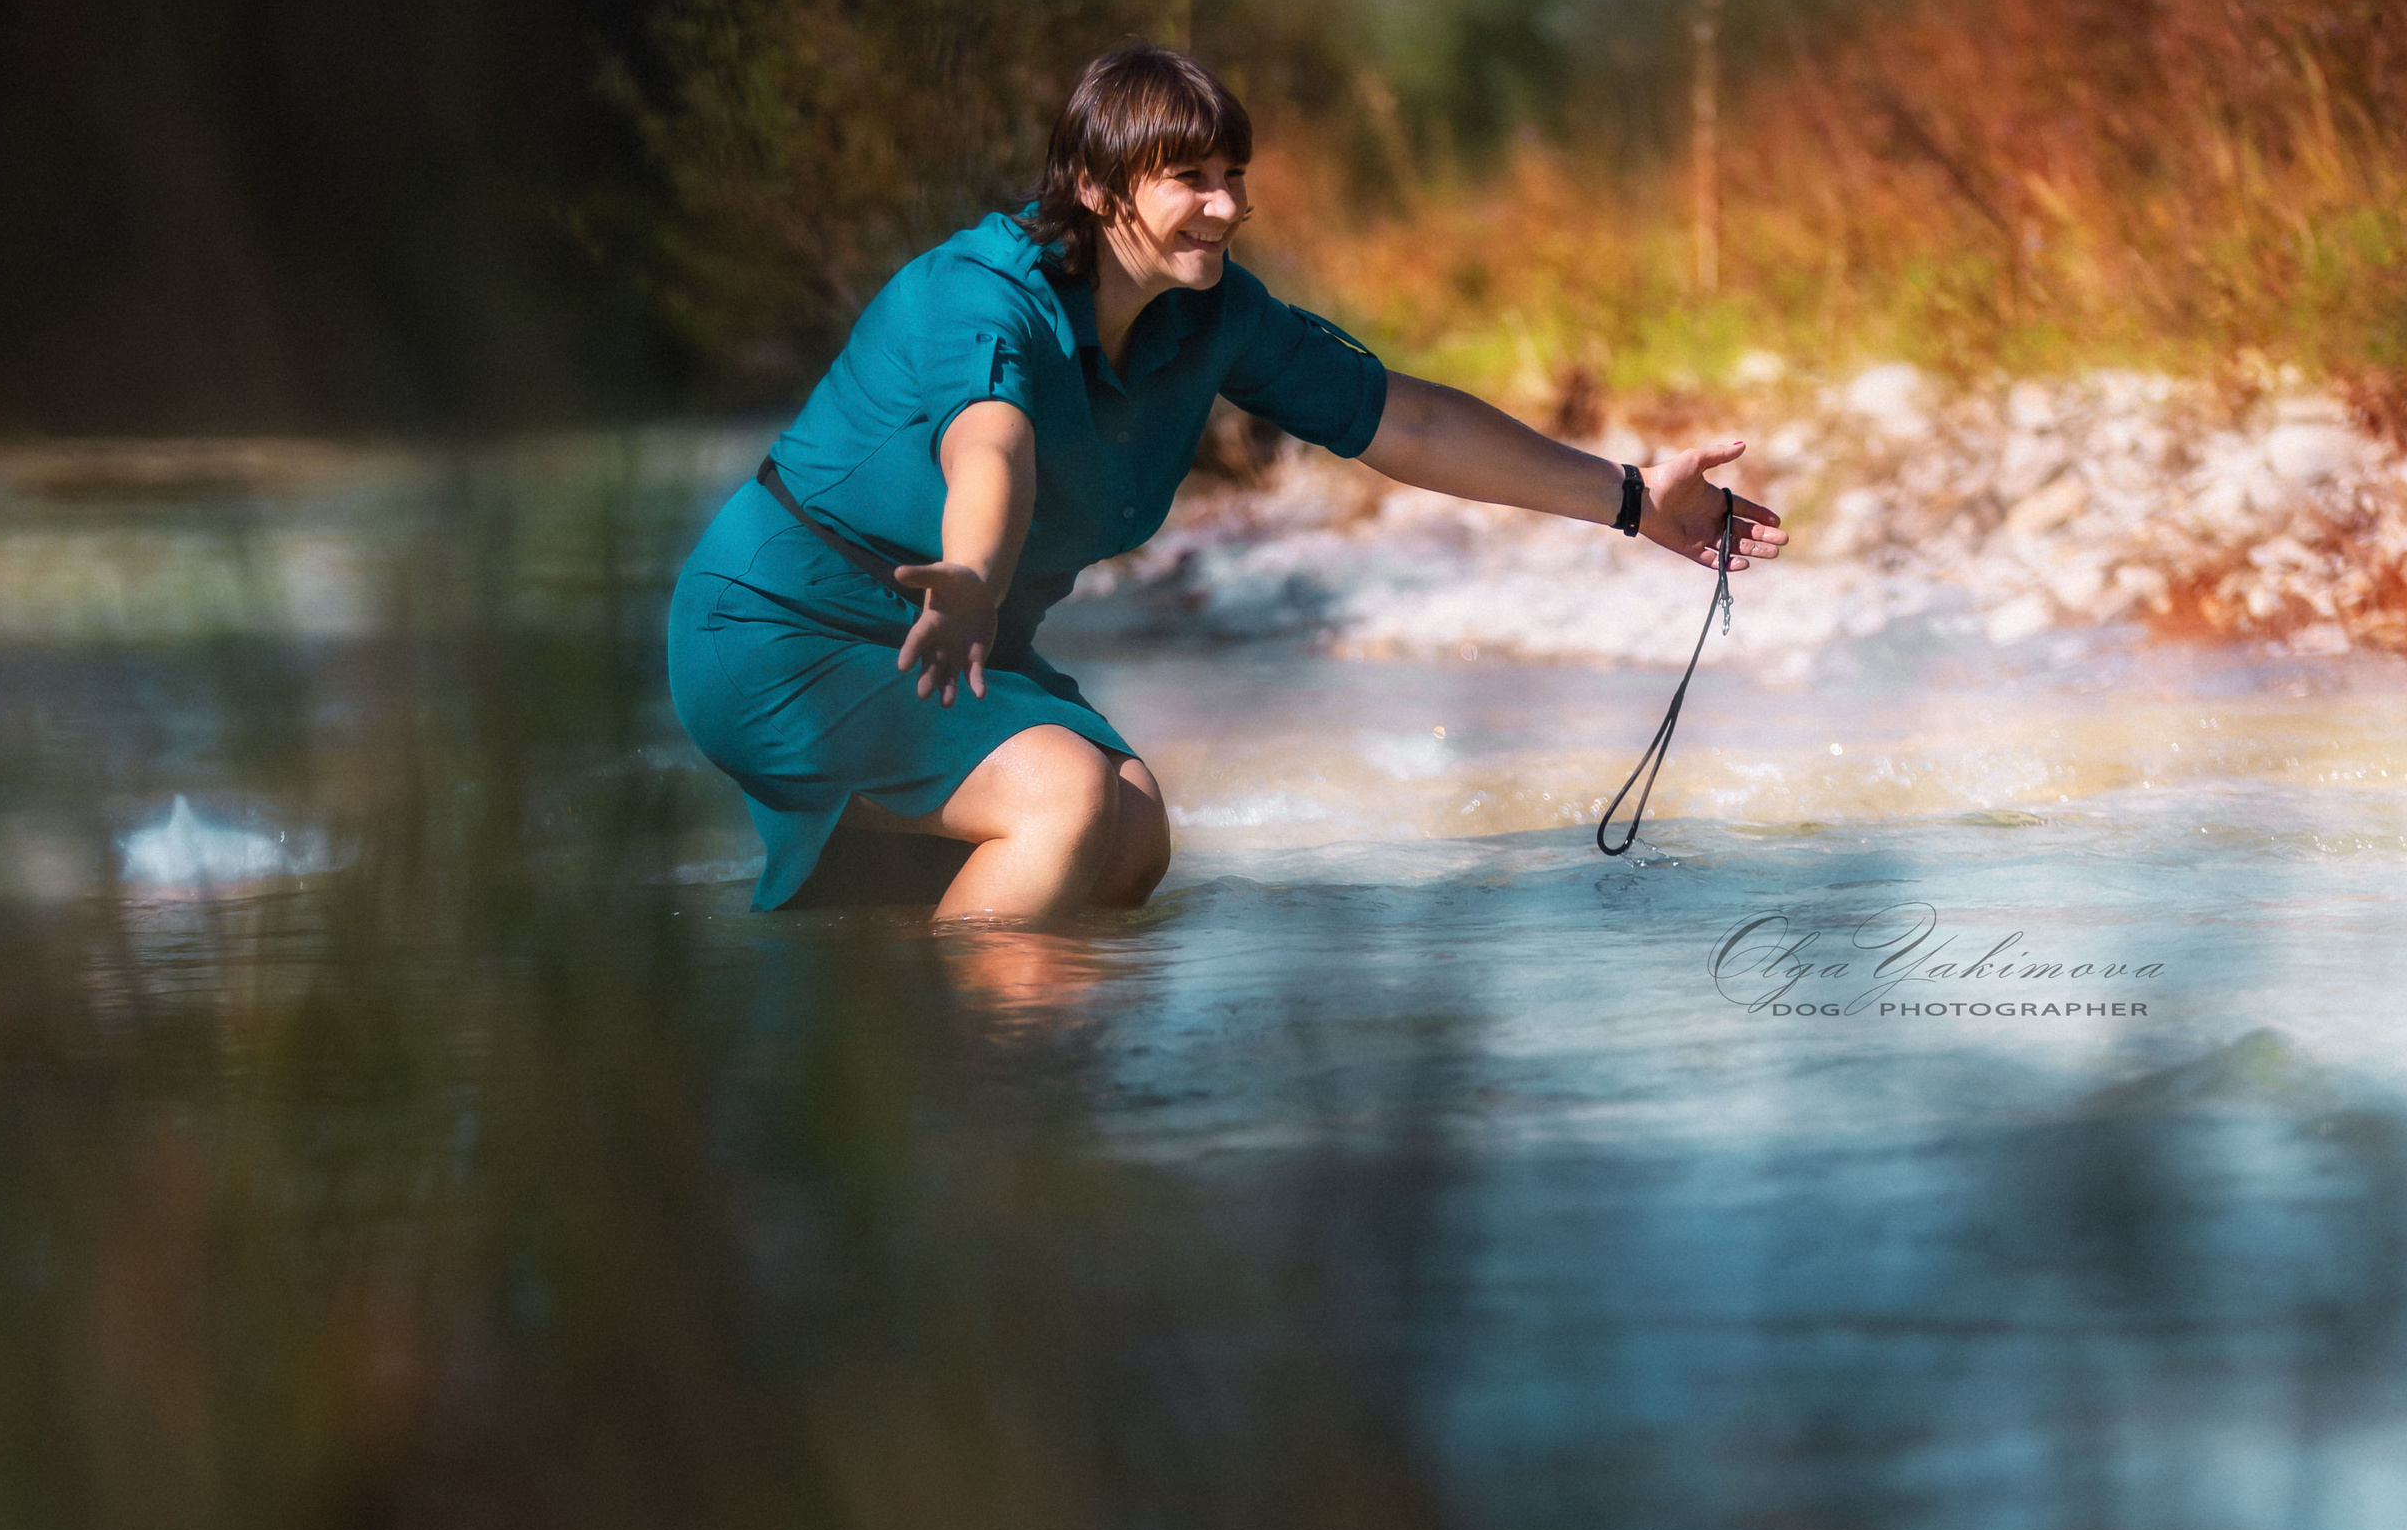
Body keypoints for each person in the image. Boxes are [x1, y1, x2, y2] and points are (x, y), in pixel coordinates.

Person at [668, 45, 1786, 919]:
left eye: (1233, 175)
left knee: (1130, 834)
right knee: (1061, 798)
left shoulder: (1210, 314)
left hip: (953, 640)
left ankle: (920, 1015)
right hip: (789, 629)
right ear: (1100, 186)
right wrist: (968, 569)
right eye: (1188, 179)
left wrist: (1631, 496)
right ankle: (979, 1118)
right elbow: (989, 446)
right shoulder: (980, 293)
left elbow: (1408, 418)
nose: (1226, 205)